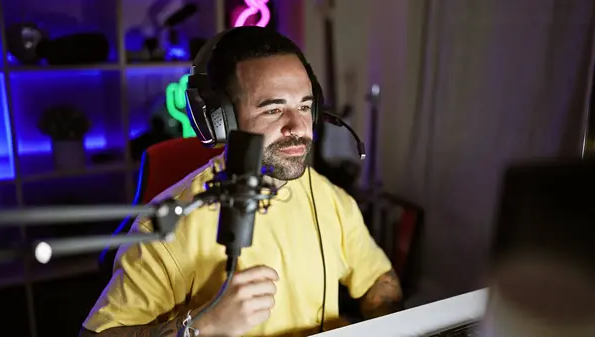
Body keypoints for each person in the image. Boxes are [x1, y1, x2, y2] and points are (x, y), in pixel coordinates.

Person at [80, 27, 402, 337]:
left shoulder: (330, 198)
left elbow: (379, 280)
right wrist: (201, 327)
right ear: (221, 121)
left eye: (304, 106)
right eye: (273, 110)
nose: (299, 127)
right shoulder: (168, 224)